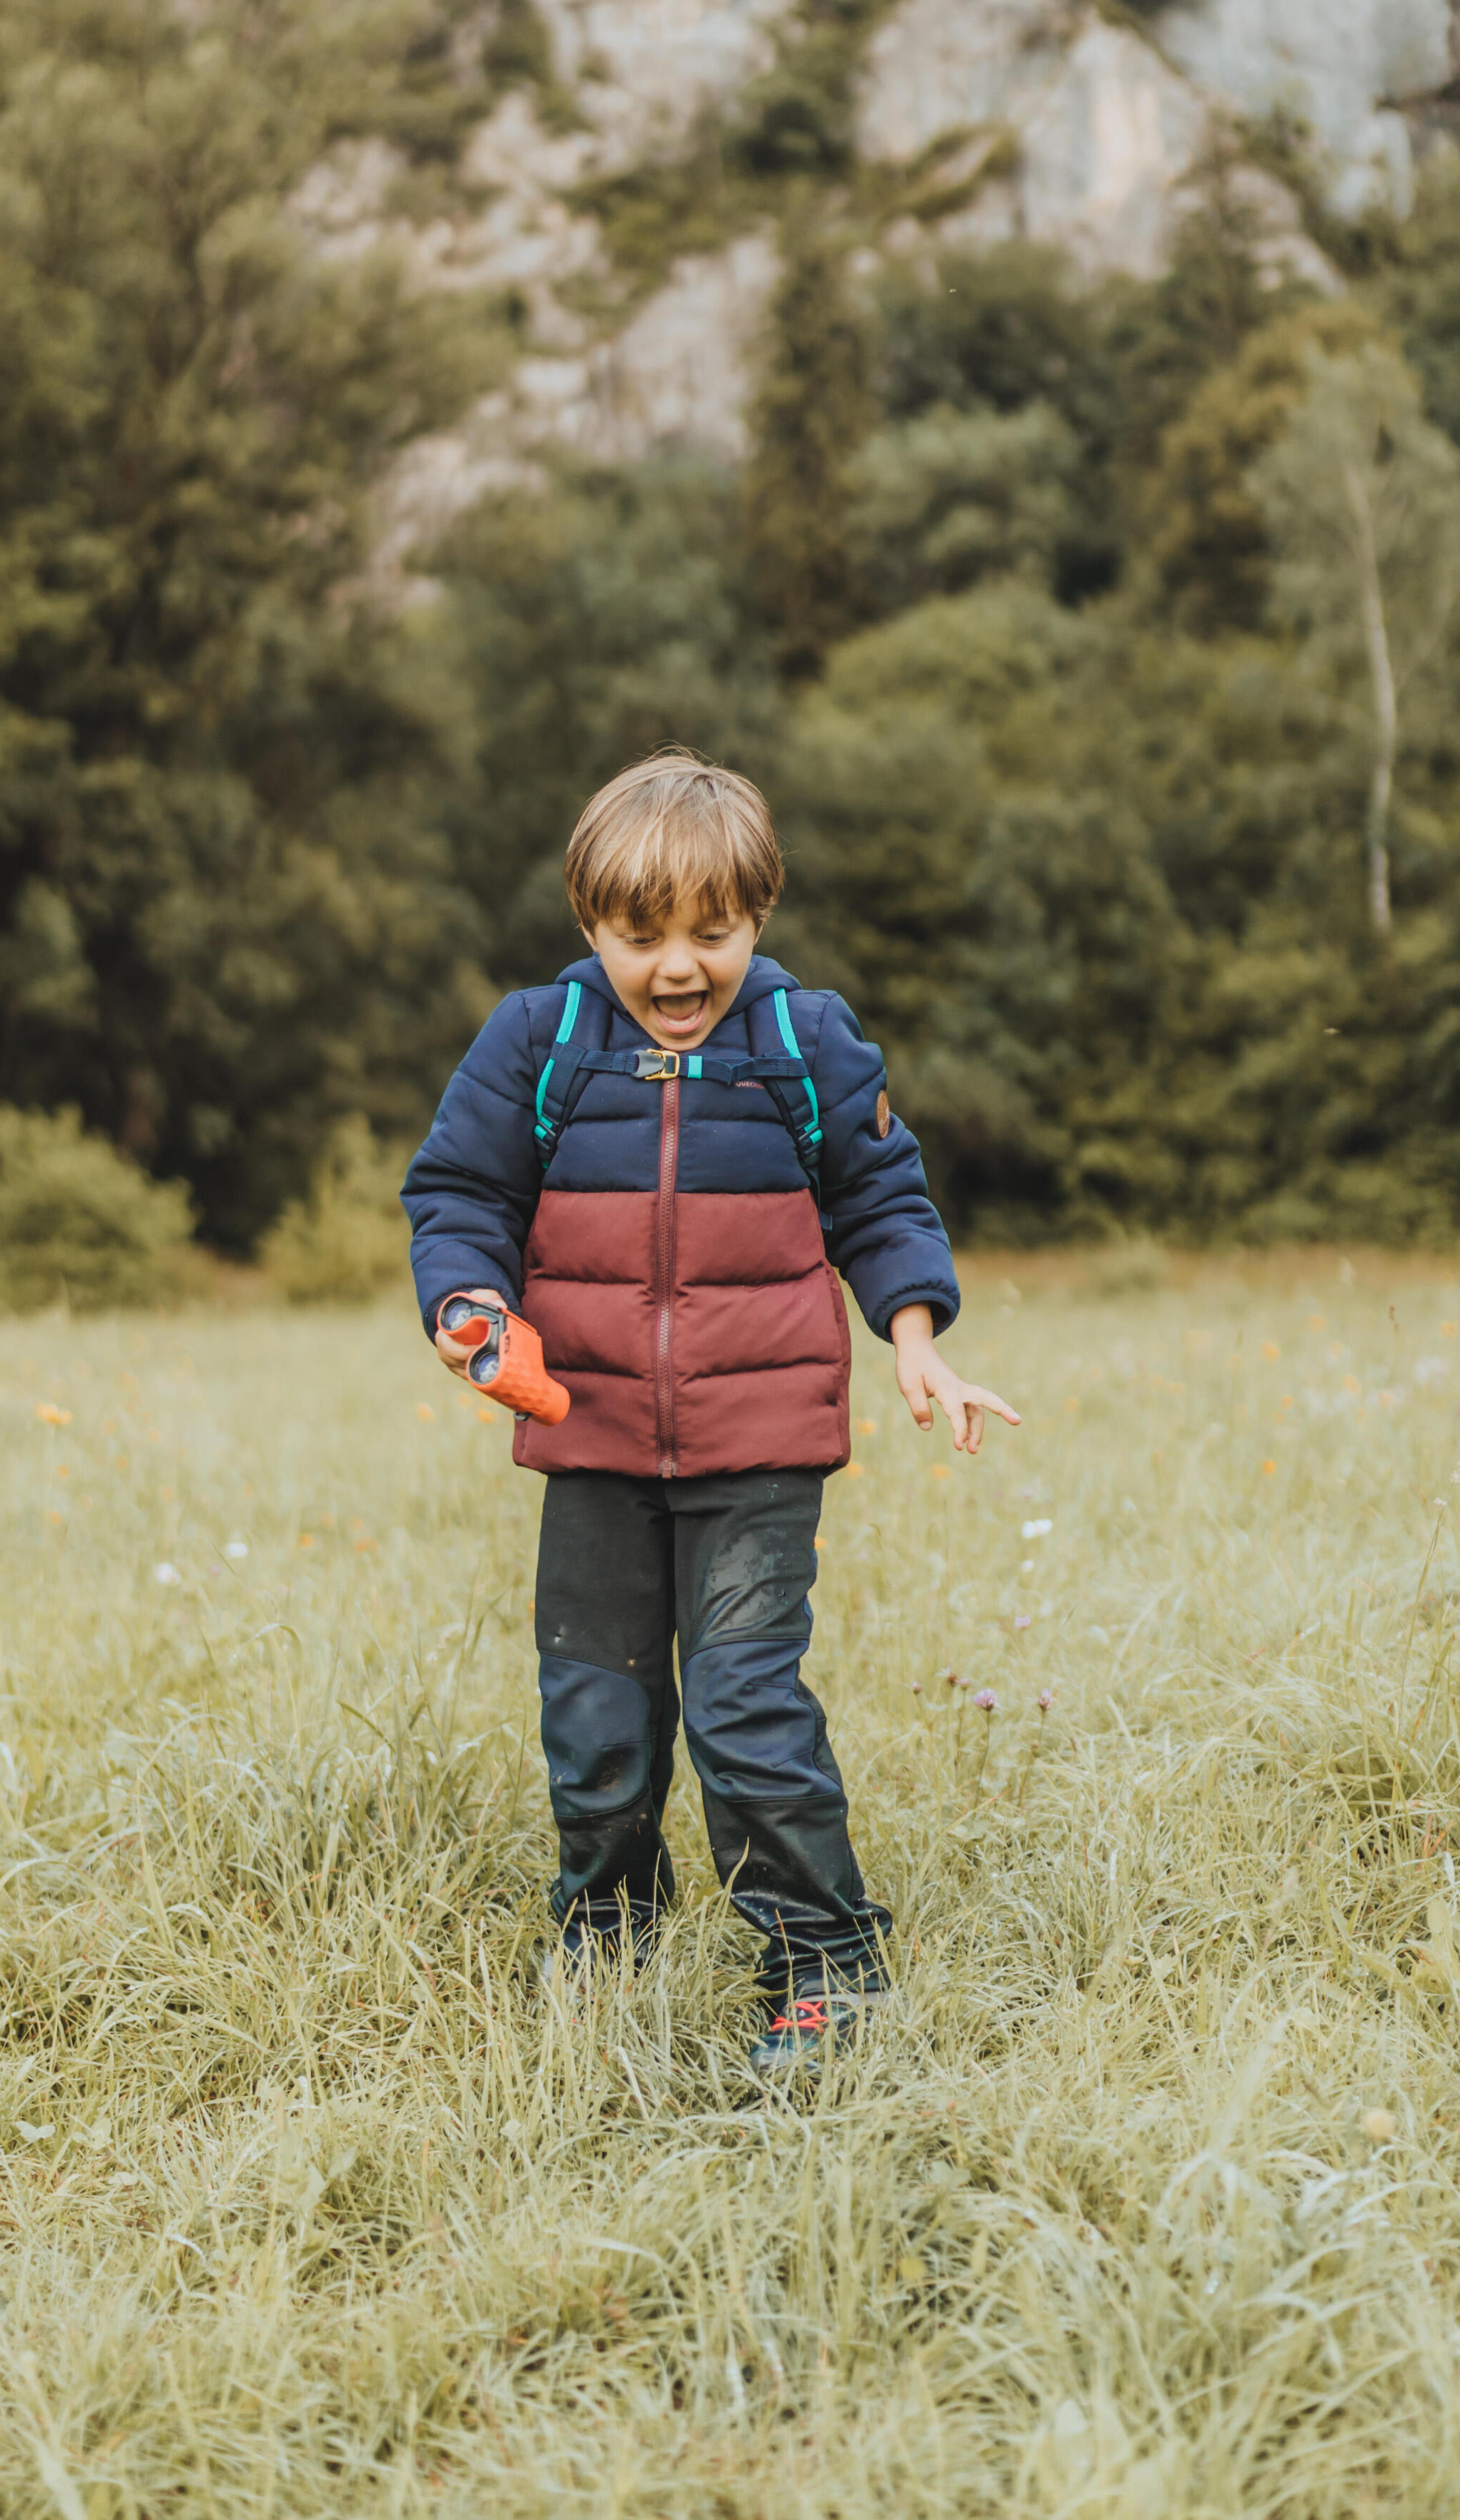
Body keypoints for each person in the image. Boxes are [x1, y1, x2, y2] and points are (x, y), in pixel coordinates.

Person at [401, 746, 1016, 2078]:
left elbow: (884, 1198)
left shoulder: (804, 1040)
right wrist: (468, 1310)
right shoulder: (541, 1039)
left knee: (743, 1706)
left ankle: (824, 1960)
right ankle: (608, 1927)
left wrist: (916, 1340)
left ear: (760, 916)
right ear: (591, 926)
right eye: (641, 936)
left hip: (758, 1449)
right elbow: (458, 1196)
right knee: (598, 1713)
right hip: (595, 1440)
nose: (679, 967)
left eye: (713, 932)